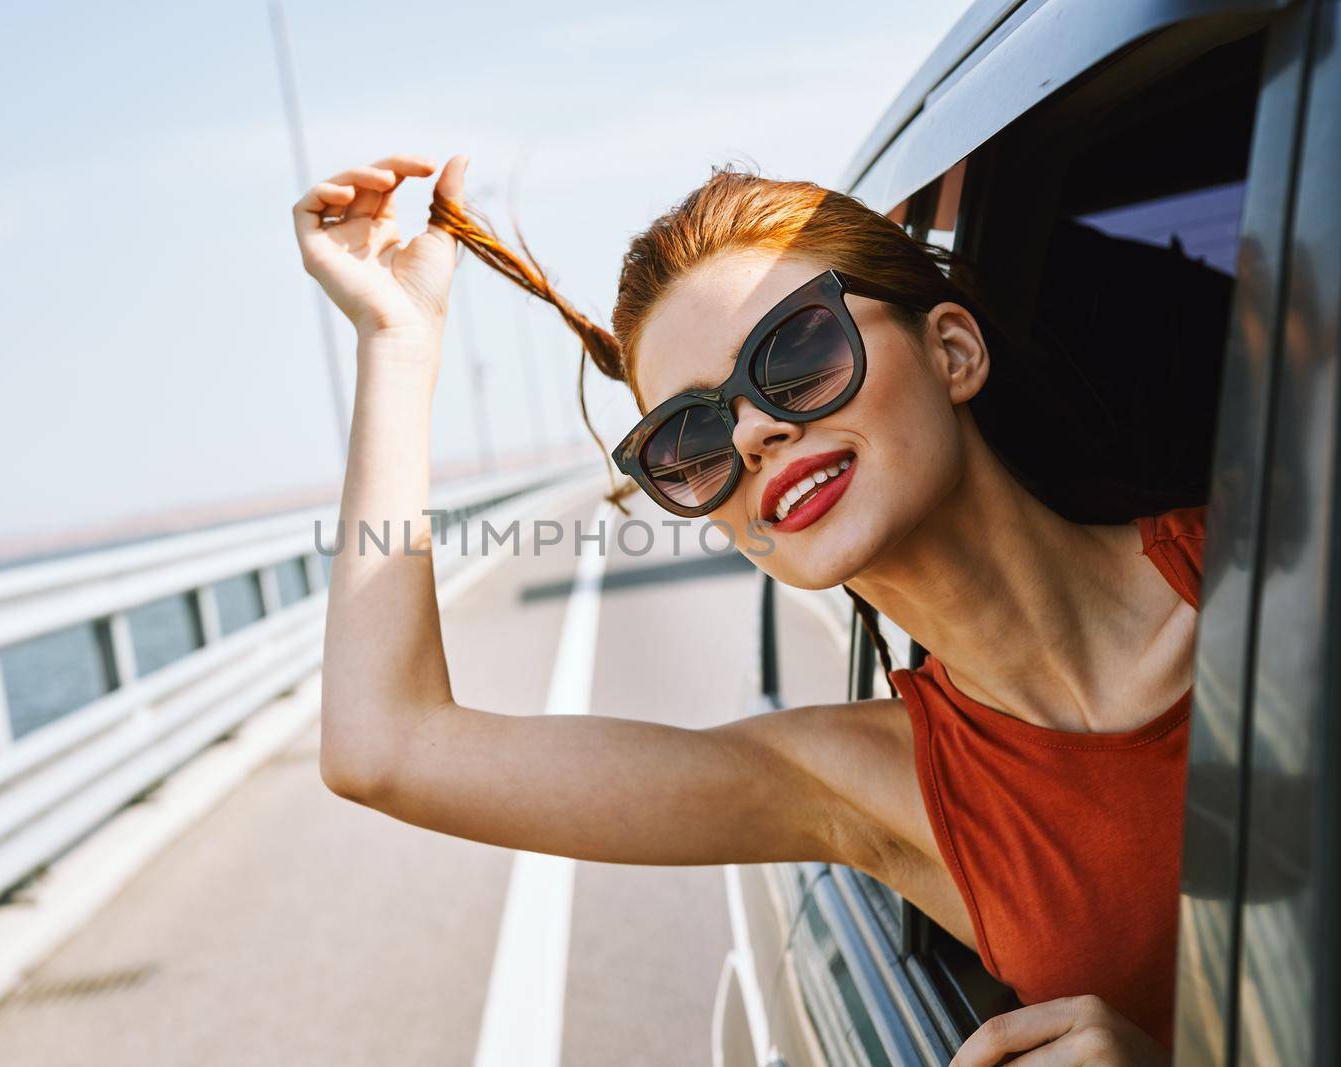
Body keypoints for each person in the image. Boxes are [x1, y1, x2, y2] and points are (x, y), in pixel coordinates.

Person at [294, 152, 1204, 1064]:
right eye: (690, 438)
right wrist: (397, 344)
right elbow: (386, 745)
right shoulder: (857, 781)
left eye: (798, 354)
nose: (750, 431)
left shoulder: (1271, 556)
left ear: (953, 351)